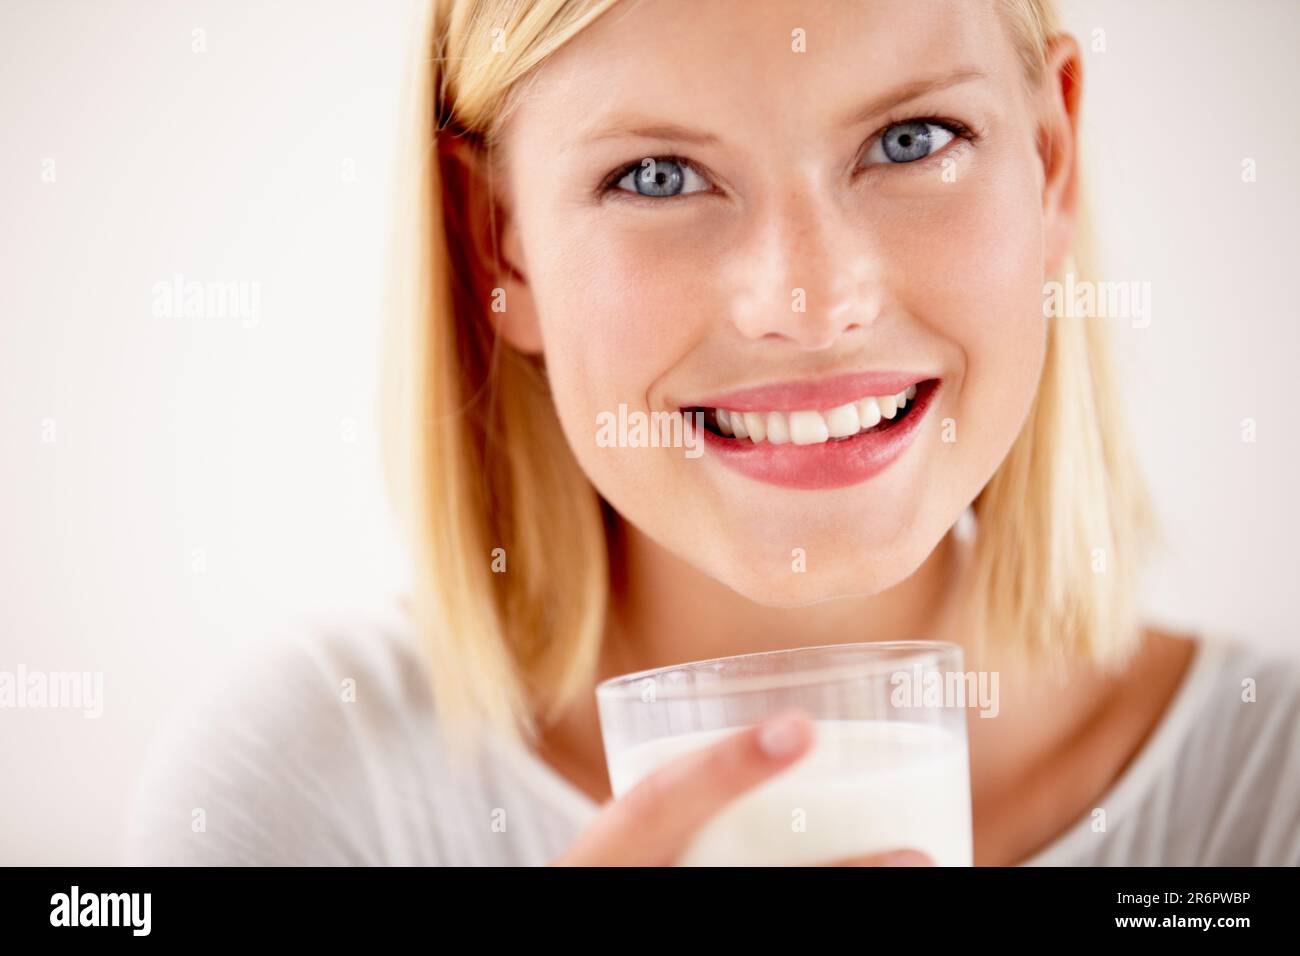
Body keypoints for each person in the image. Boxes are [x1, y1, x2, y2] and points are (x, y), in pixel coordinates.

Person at [124, 0, 1300, 867]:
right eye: (656, 174)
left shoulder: (1269, 788)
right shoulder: (301, 797)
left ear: (1049, 164)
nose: (807, 301)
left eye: (910, 140)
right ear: (499, 243)